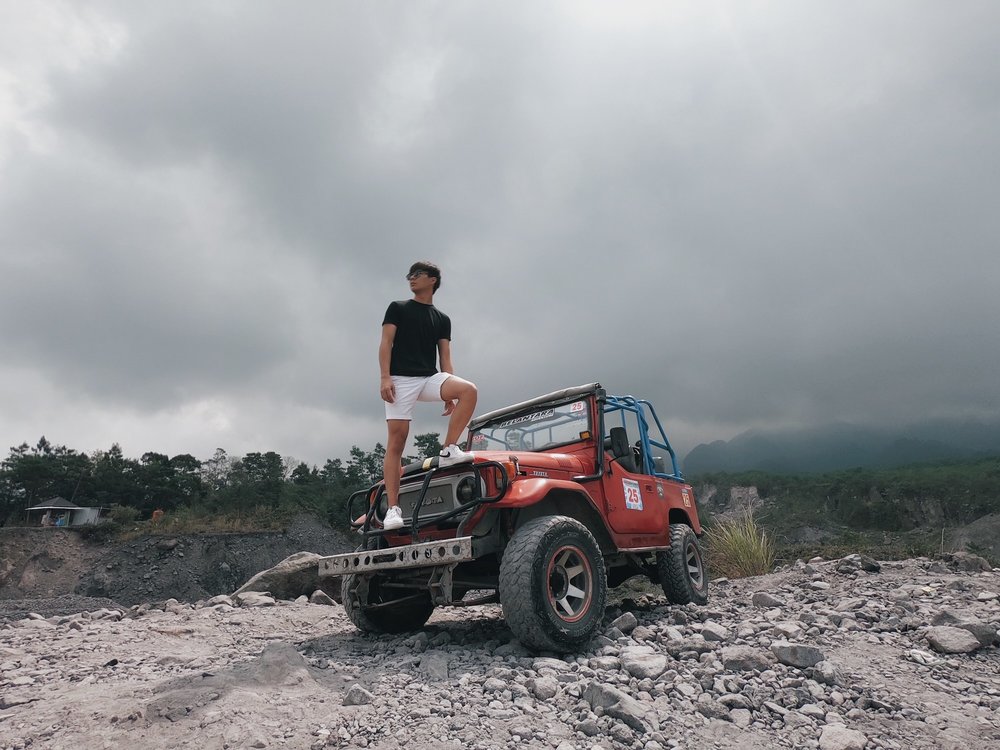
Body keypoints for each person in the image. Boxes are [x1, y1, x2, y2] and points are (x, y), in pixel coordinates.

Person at [374, 261, 478, 530]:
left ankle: (449, 448)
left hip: (429, 378)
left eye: (417, 275)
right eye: (409, 275)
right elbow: (386, 343)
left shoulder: (442, 319)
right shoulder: (397, 308)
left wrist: (448, 392)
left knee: (468, 390)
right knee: (397, 441)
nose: (411, 279)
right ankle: (394, 510)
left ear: (432, 280)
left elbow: (445, 357)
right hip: (400, 379)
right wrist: (385, 377)